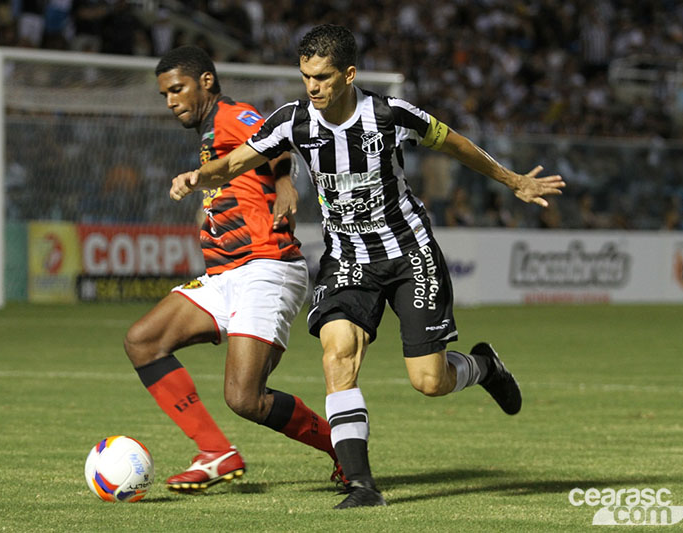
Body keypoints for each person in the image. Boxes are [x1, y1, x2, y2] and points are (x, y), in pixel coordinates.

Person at [169, 25, 566, 508]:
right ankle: (362, 485)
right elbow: (236, 162)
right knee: (337, 352)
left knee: (429, 381)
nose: (312, 87)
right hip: (348, 258)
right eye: (305, 76)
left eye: (322, 77)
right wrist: (198, 175)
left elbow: (455, 143)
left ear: (349, 74)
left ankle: (484, 367)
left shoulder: (389, 113)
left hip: (408, 253)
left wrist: (513, 180)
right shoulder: (293, 121)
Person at [124, 45, 343, 493]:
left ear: (206, 81)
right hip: (224, 275)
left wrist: (283, 182)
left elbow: (275, 137)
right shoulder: (209, 135)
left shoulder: (230, 114)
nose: (171, 101)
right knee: (143, 341)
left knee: (244, 398)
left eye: (177, 89)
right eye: (165, 94)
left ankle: (345, 450)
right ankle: (215, 453)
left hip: (267, 265)